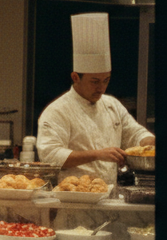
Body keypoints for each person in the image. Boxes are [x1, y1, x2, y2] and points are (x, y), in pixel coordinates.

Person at [37, 12, 153, 185]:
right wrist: (97, 154)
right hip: (73, 200)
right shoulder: (57, 111)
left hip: (108, 196)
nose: (102, 88)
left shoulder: (112, 105)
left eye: (106, 80)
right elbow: (51, 156)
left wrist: (150, 142)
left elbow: (134, 134)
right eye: (95, 81)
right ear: (75, 77)